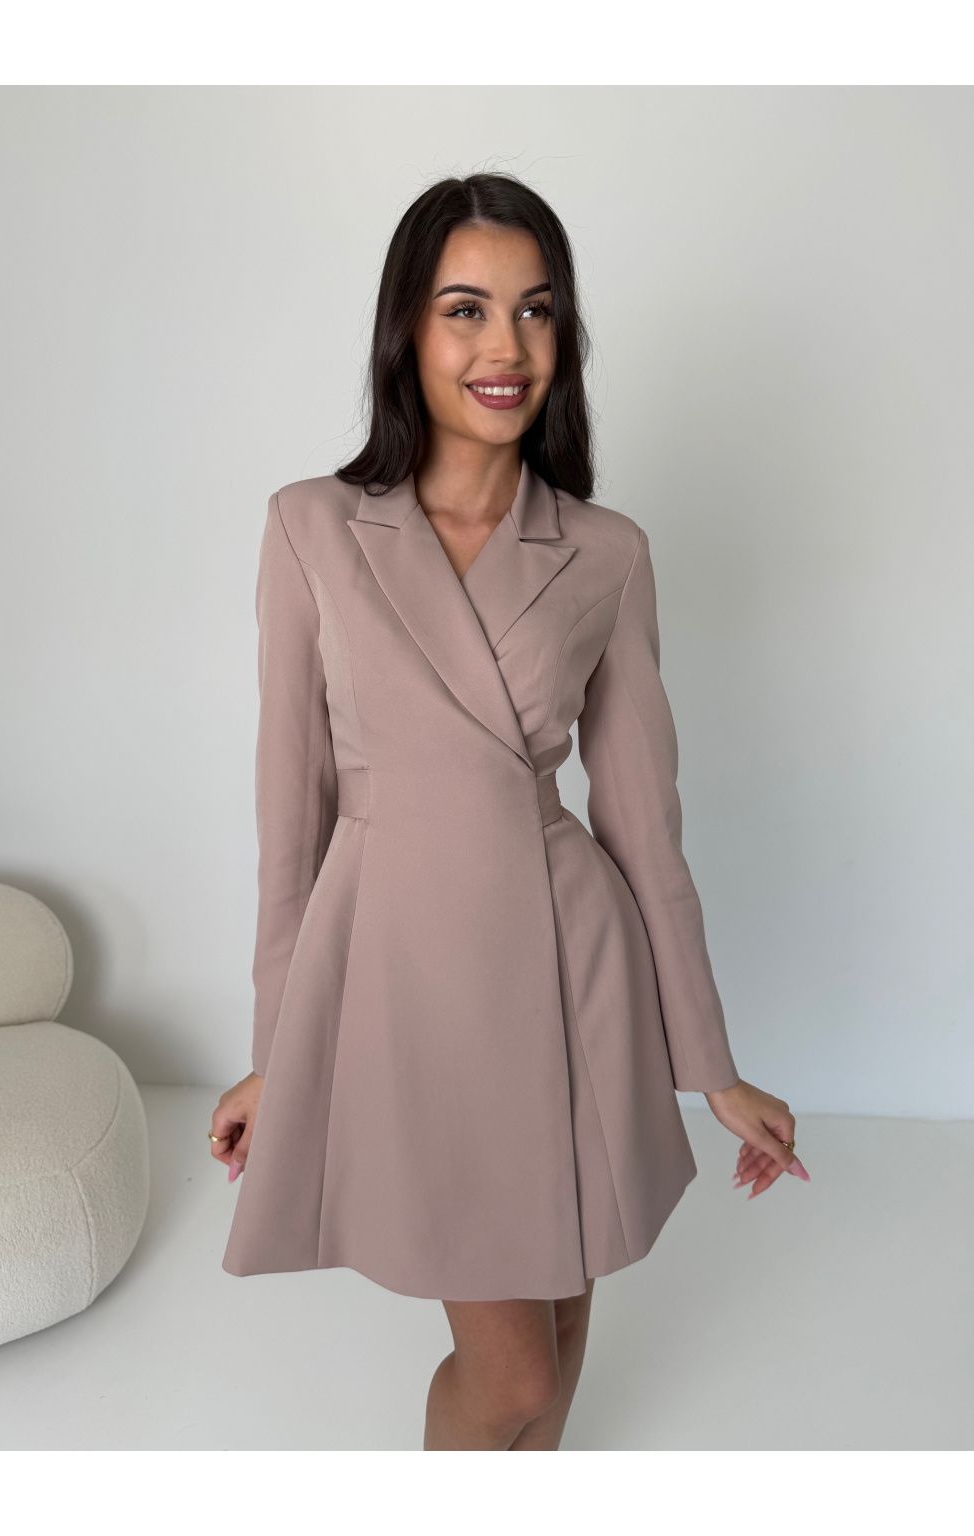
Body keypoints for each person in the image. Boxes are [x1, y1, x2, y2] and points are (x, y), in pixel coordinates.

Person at [208, 172, 809, 1451]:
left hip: (569, 969)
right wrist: (278, 1047)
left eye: (535, 311)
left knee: (565, 1329)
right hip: (402, 980)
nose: (506, 347)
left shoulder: (606, 551)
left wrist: (710, 1066)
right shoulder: (312, 527)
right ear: (406, 330)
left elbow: (645, 829)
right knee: (517, 1378)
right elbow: (290, 819)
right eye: (465, 309)